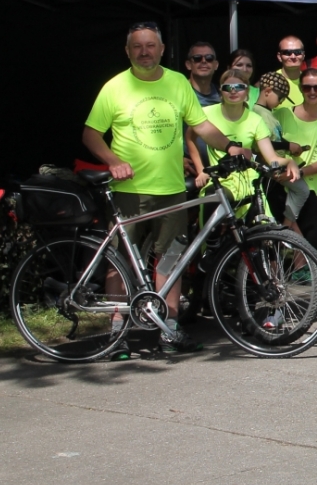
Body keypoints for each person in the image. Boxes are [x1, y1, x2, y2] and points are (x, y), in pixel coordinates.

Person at [83, 21, 233, 353]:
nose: (144, 51)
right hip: (130, 190)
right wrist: (112, 160)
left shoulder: (178, 83)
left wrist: (231, 146)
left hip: (172, 189)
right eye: (137, 46)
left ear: (162, 50)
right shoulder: (115, 87)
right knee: (120, 262)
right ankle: (117, 332)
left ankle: (169, 329)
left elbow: (203, 125)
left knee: (172, 260)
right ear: (127, 51)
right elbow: (91, 134)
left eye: (151, 45)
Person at [187, 70, 299, 208]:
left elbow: (272, 158)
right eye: (228, 87)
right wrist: (201, 171)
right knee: (214, 203)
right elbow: (190, 138)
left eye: (239, 87)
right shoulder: (206, 113)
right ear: (221, 91)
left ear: (247, 92)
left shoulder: (256, 120)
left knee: (263, 225)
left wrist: (289, 161)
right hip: (219, 183)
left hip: (249, 184)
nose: (233, 91)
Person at [273, 68, 317, 262]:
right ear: (300, 89)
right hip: (278, 186)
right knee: (272, 248)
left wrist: (296, 172)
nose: (312, 91)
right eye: (307, 87)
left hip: (308, 191)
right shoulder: (282, 114)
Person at [252, 71, 289, 142]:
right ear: (267, 92)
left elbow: (276, 138)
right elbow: (266, 143)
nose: (281, 103)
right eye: (281, 98)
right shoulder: (259, 113)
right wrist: (288, 146)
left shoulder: (268, 113)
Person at [184, 42, 221, 107]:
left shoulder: (223, 94)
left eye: (209, 58)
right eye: (197, 58)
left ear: (216, 65)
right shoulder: (180, 92)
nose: (204, 61)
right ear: (188, 65)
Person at [275, 36, 307, 106]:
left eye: (298, 52)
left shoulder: (310, 81)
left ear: (303, 55)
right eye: (287, 53)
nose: (293, 56)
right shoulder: (271, 81)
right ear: (279, 57)